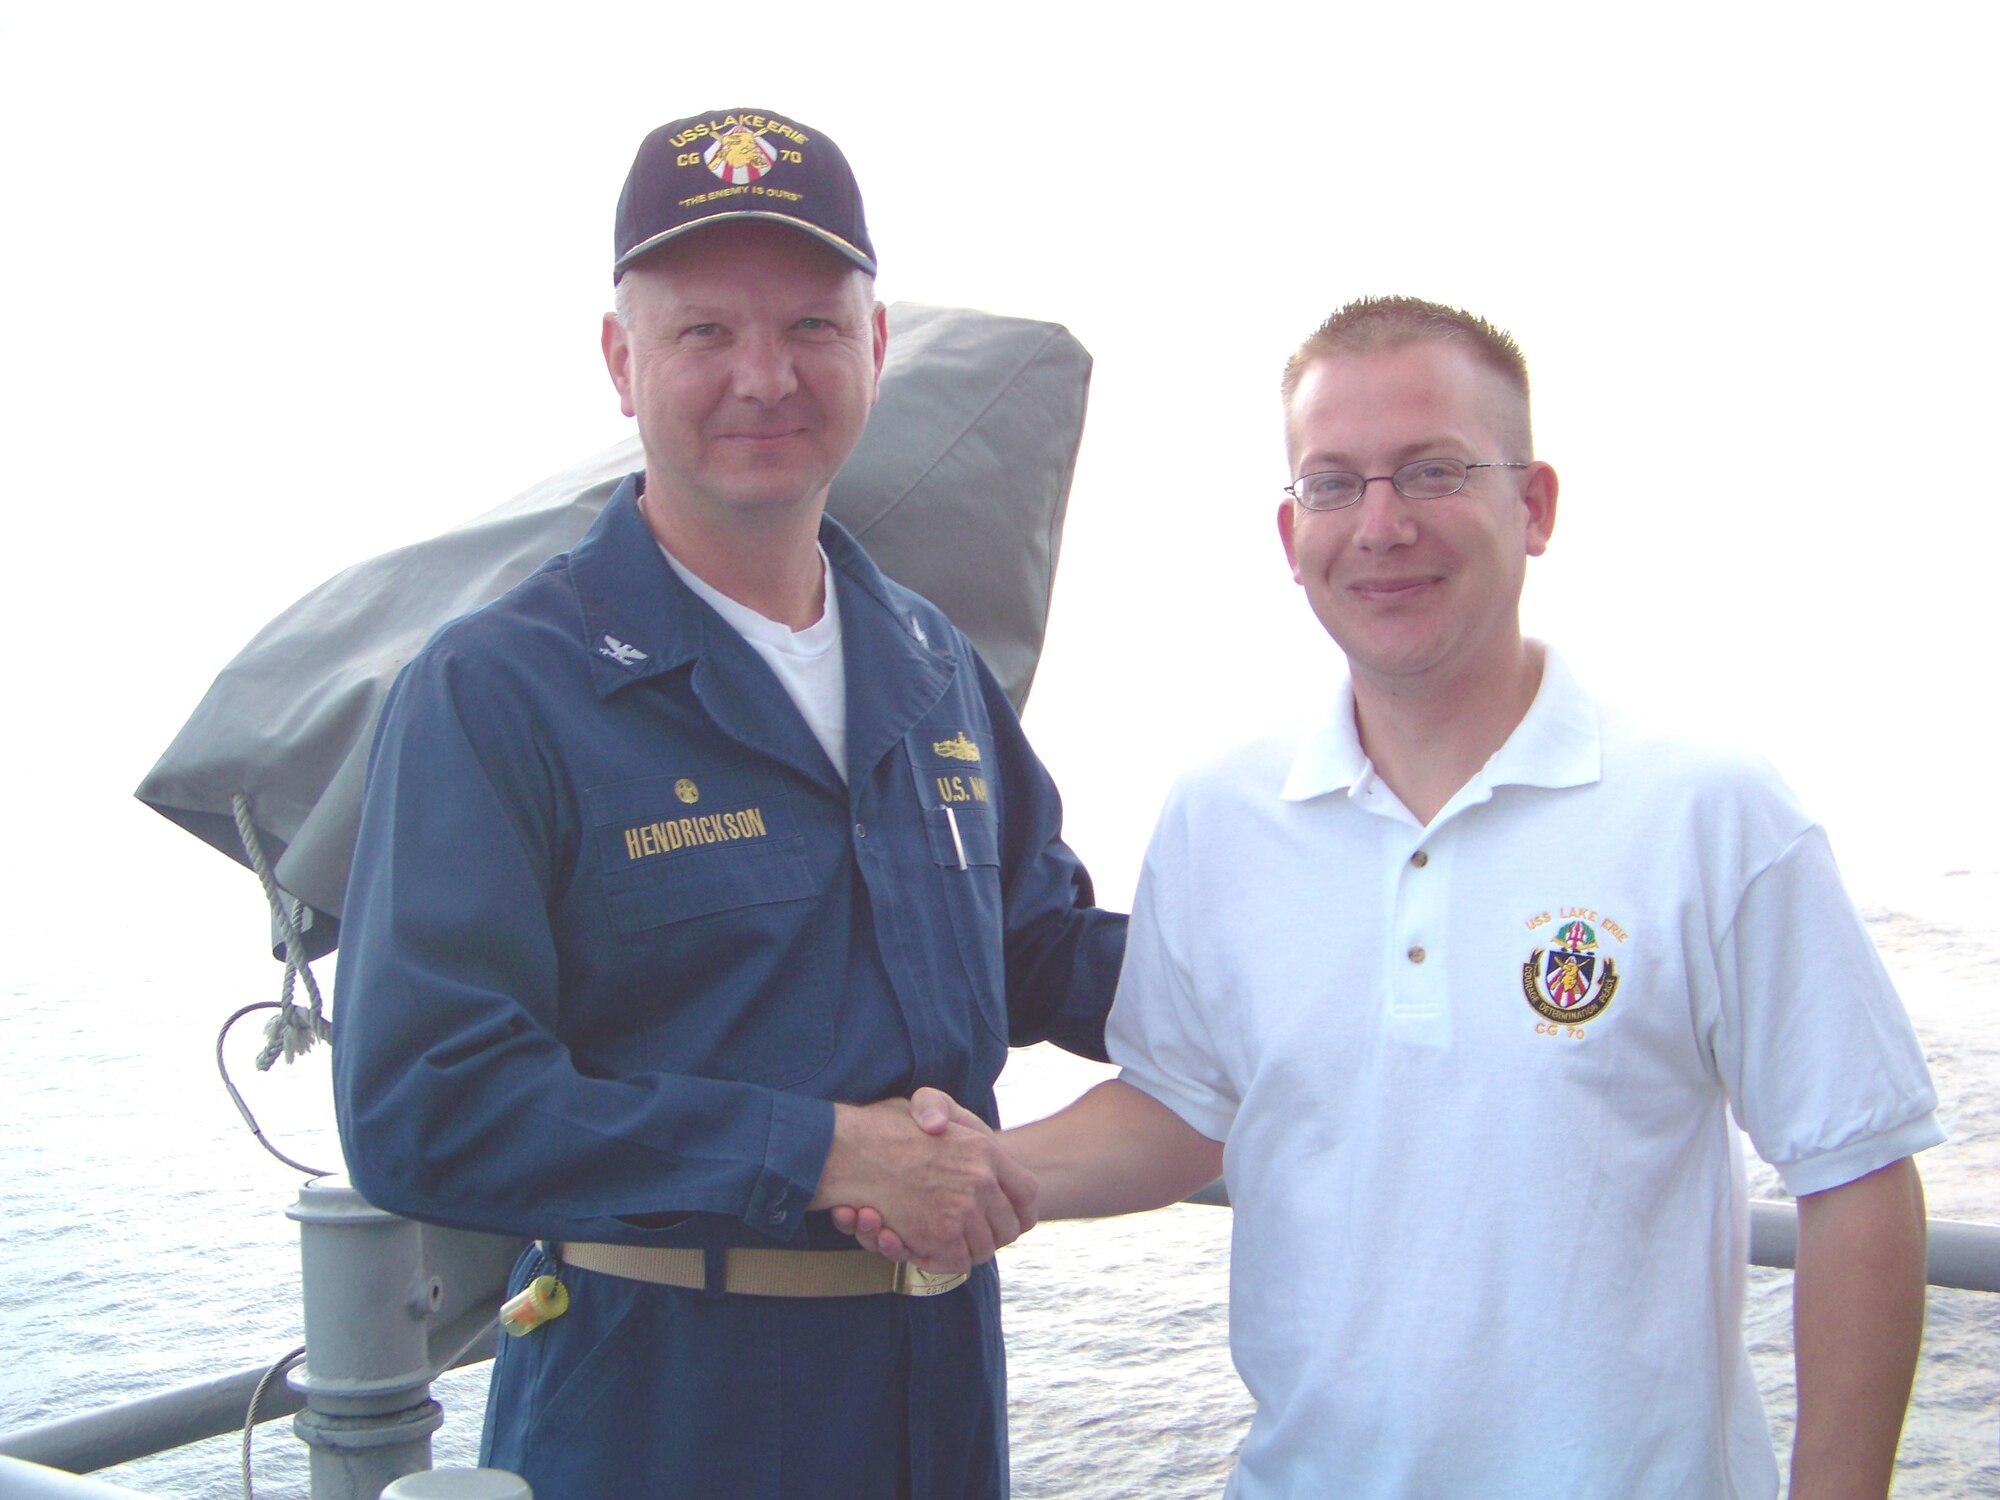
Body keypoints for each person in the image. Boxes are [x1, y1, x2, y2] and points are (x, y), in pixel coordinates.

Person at [849, 297, 1941, 1499]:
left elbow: (1856, 1176)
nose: (1380, 525)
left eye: (1431, 471)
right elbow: (1183, 1107)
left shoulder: (1708, 810)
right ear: (1287, 528)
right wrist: (967, 1172)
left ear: (1533, 508)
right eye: (1333, 483)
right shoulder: (1223, 813)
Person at [330, 107, 1124, 1499]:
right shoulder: (496, 693)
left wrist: (1325, 941)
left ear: (877, 350)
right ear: (618, 358)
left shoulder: (933, 668)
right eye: (704, 331)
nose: (766, 375)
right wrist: (817, 1151)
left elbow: (1042, 948)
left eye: (814, 326)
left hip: (939, 1400)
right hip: (655, 1406)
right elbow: (424, 1106)